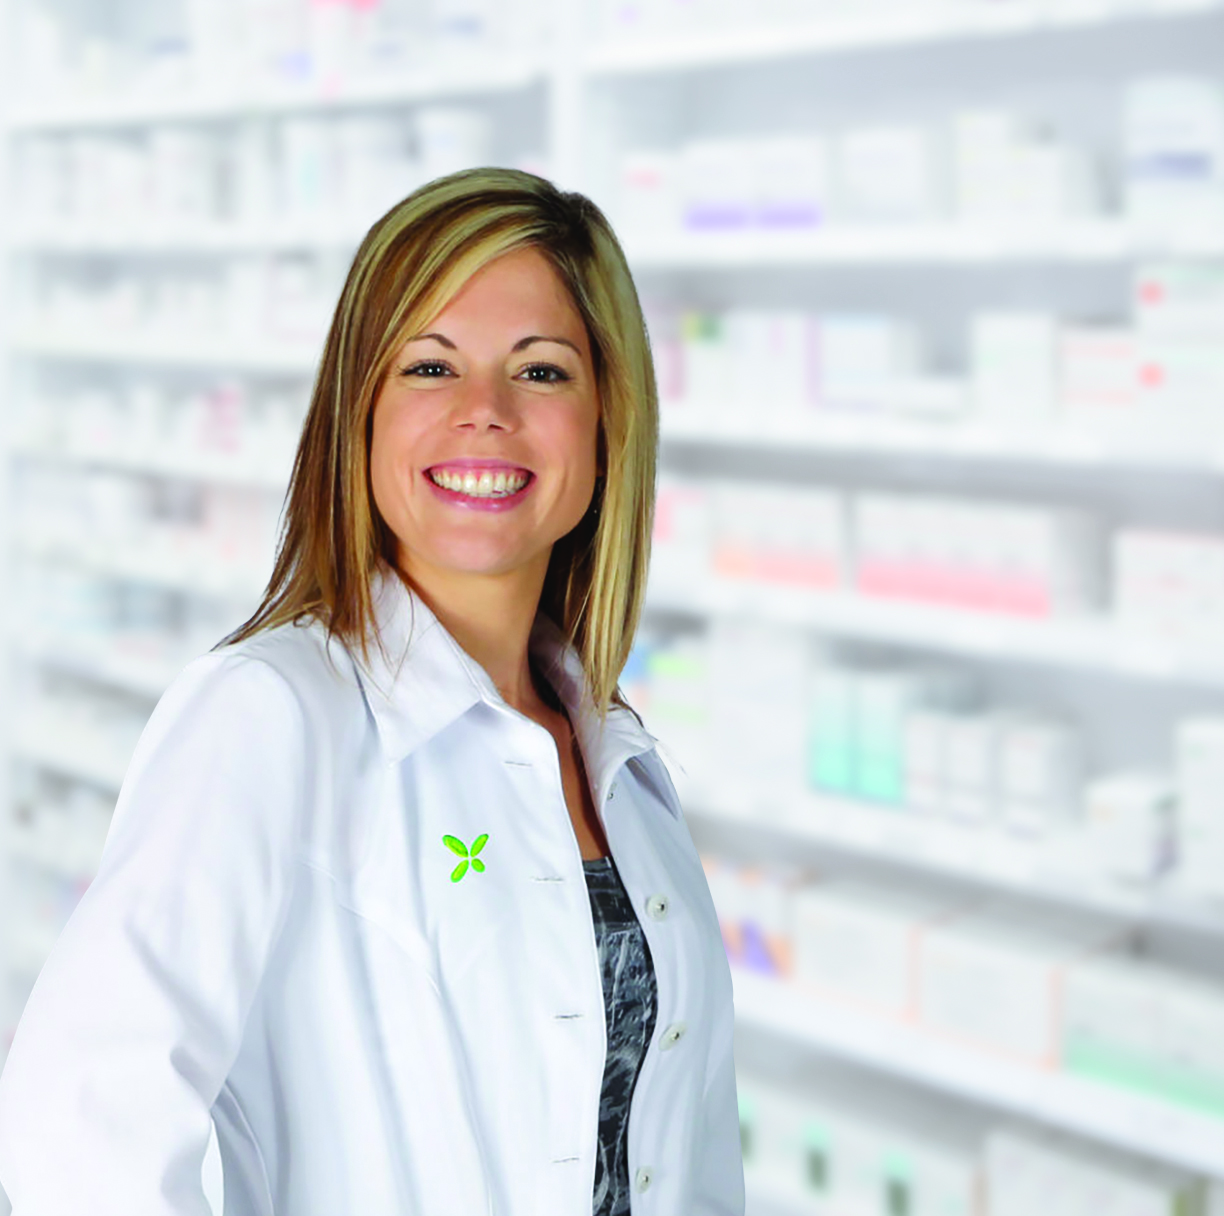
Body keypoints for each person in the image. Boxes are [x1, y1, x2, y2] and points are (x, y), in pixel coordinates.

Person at [0, 167, 744, 1215]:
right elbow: (80, 1124)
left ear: (605, 422)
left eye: (540, 371)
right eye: (430, 366)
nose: (484, 413)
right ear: (360, 414)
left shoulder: (618, 759)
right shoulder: (271, 714)